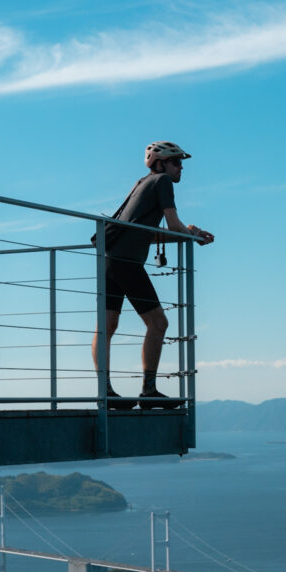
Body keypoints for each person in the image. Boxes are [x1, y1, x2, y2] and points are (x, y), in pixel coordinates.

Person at [91, 140, 214, 408]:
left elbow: (143, 230)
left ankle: (106, 392)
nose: (181, 168)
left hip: (110, 258)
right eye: (177, 162)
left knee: (107, 326)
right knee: (158, 324)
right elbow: (172, 224)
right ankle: (148, 391)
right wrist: (192, 233)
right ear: (161, 164)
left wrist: (188, 231)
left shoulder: (141, 183)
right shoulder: (162, 183)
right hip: (126, 262)